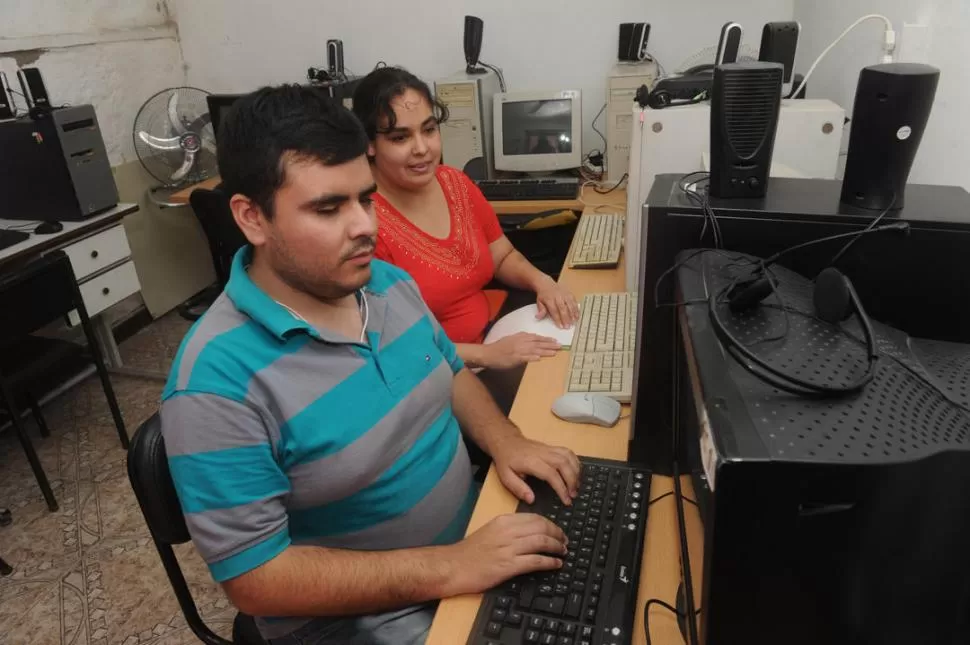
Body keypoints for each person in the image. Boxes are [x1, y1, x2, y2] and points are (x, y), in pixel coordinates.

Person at [160, 85, 581, 645]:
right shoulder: (214, 385)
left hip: (472, 546)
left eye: (365, 199)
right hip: (361, 618)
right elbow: (256, 581)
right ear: (252, 218)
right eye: (328, 208)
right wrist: (454, 566)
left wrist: (507, 441)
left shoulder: (384, 283)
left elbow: (449, 369)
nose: (365, 227)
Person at [352, 67, 581, 377]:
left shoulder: (454, 182)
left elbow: (502, 255)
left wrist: (544, 283)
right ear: (369, 143)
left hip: (493, 334)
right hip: (438, 373)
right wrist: (487, 355)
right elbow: (391, 343)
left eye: (429, 130)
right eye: (400, 137)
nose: (422, 148)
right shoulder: (364, 224)